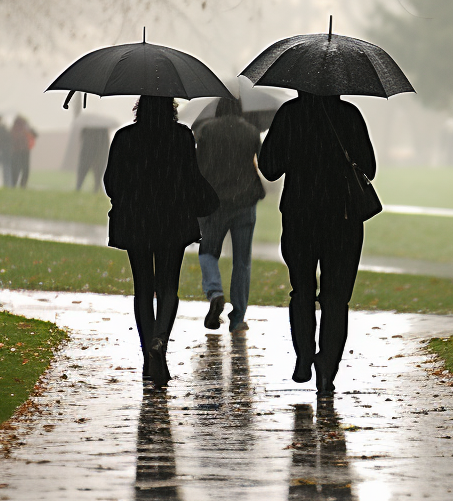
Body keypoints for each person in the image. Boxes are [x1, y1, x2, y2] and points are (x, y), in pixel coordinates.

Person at [258, 91, 375, 395]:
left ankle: (303, 355)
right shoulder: (349, 115)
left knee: (302, 291)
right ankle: (328, 368)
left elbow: (269, 168)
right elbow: (369, 168)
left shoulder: (290, 114)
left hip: (300, 217)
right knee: (336, 298)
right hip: (343, 220)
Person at [103, 95, 219, 388]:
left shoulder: (124, 137)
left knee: (143, 288)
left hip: (136, 222)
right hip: (173, 220)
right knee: (168, 286)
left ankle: (147, 357)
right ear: (171, 108)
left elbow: (110, 183)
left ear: (139, 108)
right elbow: (192, 178)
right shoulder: (181, 137)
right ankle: (160, 342)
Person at [193, 96, 265, 333]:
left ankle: (215, 291)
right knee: (242, 261)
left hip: (214, 203)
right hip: (245, 202)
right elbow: (263, 165)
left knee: (208, 251)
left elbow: (198, 165)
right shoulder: (251, 132)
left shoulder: (206, 131)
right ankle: (238, 319)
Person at [77, 125, 110, 192]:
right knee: (96, 169)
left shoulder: (90, 123)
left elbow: (82, 134)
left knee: (92, 169)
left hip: (91, 147)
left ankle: (81, 187)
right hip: (95, 147)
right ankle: (95, 187)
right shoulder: (102, 125)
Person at [8, 115, 38, 188]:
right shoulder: (25, 129)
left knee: (15, 169)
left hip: (15, 151)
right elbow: (35, 134)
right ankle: (23, 184)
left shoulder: (13, 129)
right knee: (25, 169)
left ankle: (14, 184)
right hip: (24, 151)